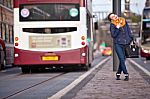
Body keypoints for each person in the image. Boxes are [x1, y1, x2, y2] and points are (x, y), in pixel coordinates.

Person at [107, 13, 133, 81]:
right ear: (111, 19)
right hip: (118, 44)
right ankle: (126, 74)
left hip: (126, 43)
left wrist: (131, 39)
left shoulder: (123, 20)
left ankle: (118, 73)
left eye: (114, 15)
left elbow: (129, 31)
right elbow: (113, 35)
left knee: (123, 60)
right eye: (112, 17)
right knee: (121, 59)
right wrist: (117, 28)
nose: (114, 16)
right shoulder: (112, 25)